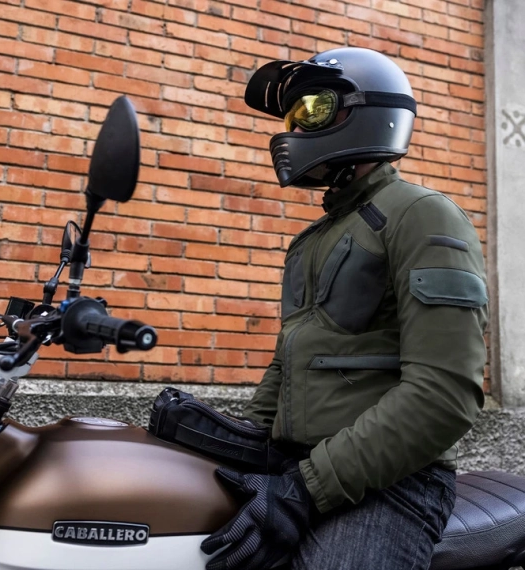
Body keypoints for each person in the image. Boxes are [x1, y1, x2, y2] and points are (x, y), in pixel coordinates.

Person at [200, 47, 488, 570]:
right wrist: (235, 441)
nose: (294, 128)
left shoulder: (422, 215)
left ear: (366, 111)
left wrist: (304, 491)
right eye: (292, 116)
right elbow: (290, 363)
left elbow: (444, 394)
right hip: (300, 469)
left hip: (393, 484)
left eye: (311, 109)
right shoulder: (314, 238)